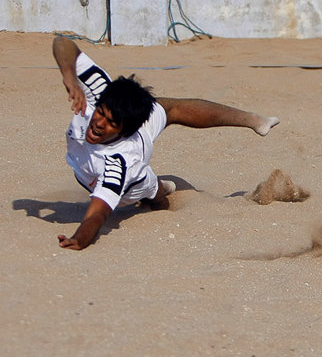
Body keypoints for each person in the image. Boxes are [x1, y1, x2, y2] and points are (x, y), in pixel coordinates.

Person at [52, 36, 279, 250]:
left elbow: (97, 215)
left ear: (125, 130)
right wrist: (69, 76)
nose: (99, 123)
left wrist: (79, 239)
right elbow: (63, 43)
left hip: (130, 185)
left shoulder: (119, 164)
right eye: (100, 113)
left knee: (153, 191)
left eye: (111, 123)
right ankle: (253, 121)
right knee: (168, 107)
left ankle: (165, 188)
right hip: (93, 164)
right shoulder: (102, 93)